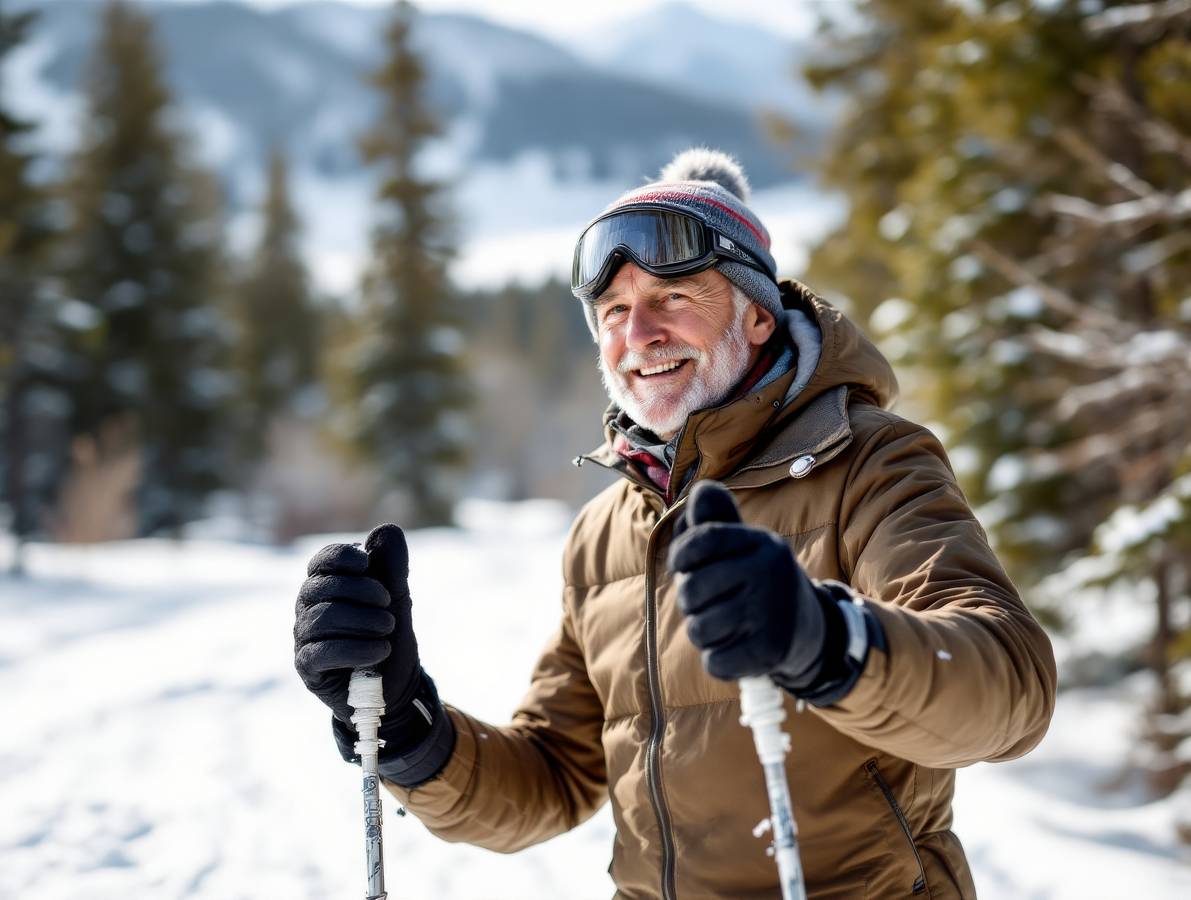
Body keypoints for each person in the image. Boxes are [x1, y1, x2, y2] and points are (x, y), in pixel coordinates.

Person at [294, 148, 1057, 898]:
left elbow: (1009, 692)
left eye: (673, 298)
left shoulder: (867, 463)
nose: (640, 336)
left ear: (758, 315)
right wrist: (403, 726)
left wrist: (827, 640)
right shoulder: (607, 530)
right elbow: (552, 778)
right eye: (615, 312)